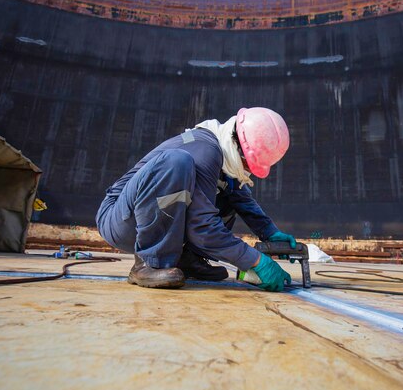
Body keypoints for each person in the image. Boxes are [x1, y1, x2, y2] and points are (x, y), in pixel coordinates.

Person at [96, 107, 296, 292]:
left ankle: (189, 260)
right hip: (121, 221)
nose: (249, 171)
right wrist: (255, 261)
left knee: (229, 195)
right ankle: (150, 262)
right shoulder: (204, 151)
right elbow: (202, 229)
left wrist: (269, 232)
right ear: (240, 148)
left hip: (139, 217)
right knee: (176, 163)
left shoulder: (224, 154)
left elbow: (242, 200)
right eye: (250, 165)